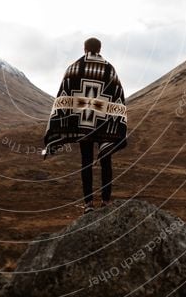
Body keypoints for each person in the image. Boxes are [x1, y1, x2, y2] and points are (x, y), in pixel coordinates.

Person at [43, 37, 128, 213]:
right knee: (106, 161)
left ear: (84, 48)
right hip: (103, 123)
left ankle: (88, 204)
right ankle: (106, 202)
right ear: (100, 48)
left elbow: (63, 97)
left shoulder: (73, 68)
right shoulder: (109, 70)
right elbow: (118, 97)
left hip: (82, 123)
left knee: (86, 161)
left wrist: (64, 120)